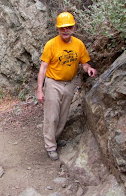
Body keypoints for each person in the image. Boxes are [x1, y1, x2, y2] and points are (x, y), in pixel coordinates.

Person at [37, 12, 97, 161]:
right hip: (53, 83)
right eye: (62, 28)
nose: (66, 30)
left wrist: (88, 69)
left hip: (69, 84)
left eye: (68, 27)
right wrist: (39, 90)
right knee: (51, 117)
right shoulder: (51, 44)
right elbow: (43, 68)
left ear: (73, 27)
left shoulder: (79, 44)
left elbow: (84, 63)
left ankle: (54, 140)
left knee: (63, 117)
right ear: (58, 29)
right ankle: (50, 147)